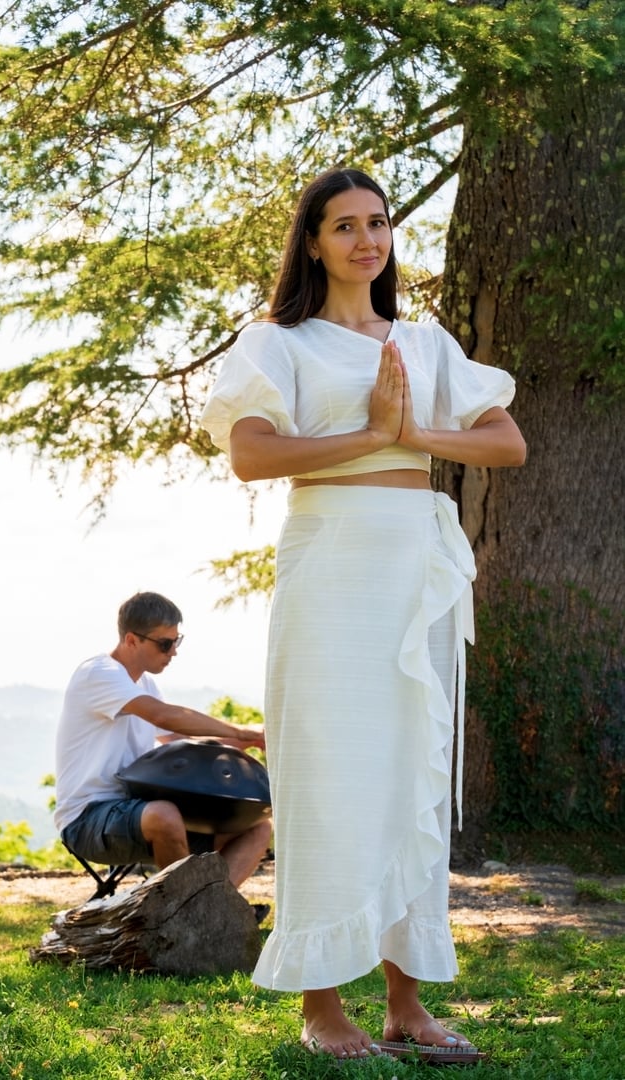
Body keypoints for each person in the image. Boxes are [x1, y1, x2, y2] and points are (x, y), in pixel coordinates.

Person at [201, 167, 526, 1062]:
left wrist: (413, 435)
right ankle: (321, 1009)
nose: (365, 240)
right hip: (331, 559)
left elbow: (505, 441)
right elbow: (252, 456)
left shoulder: (423, 342)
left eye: (377, 223)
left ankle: (406, 1006)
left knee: (410, 776)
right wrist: (370, 436)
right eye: (343, 226)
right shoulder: (278, 341)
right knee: (330, 779)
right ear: (312, 242)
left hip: (412, 563)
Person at [54, 590, 271, 894]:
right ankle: (187, 914)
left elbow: (180, 741)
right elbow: (164, 716)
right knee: (165, 814)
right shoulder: (98, 674)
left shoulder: (145, 684)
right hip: (88, 819)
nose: (173, 652)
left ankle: (211, 907)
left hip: (136, 811)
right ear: (132, 640)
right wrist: (239, 730)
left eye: (176, 641)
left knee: (257, 828)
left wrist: (248, 741)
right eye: (165, 644)